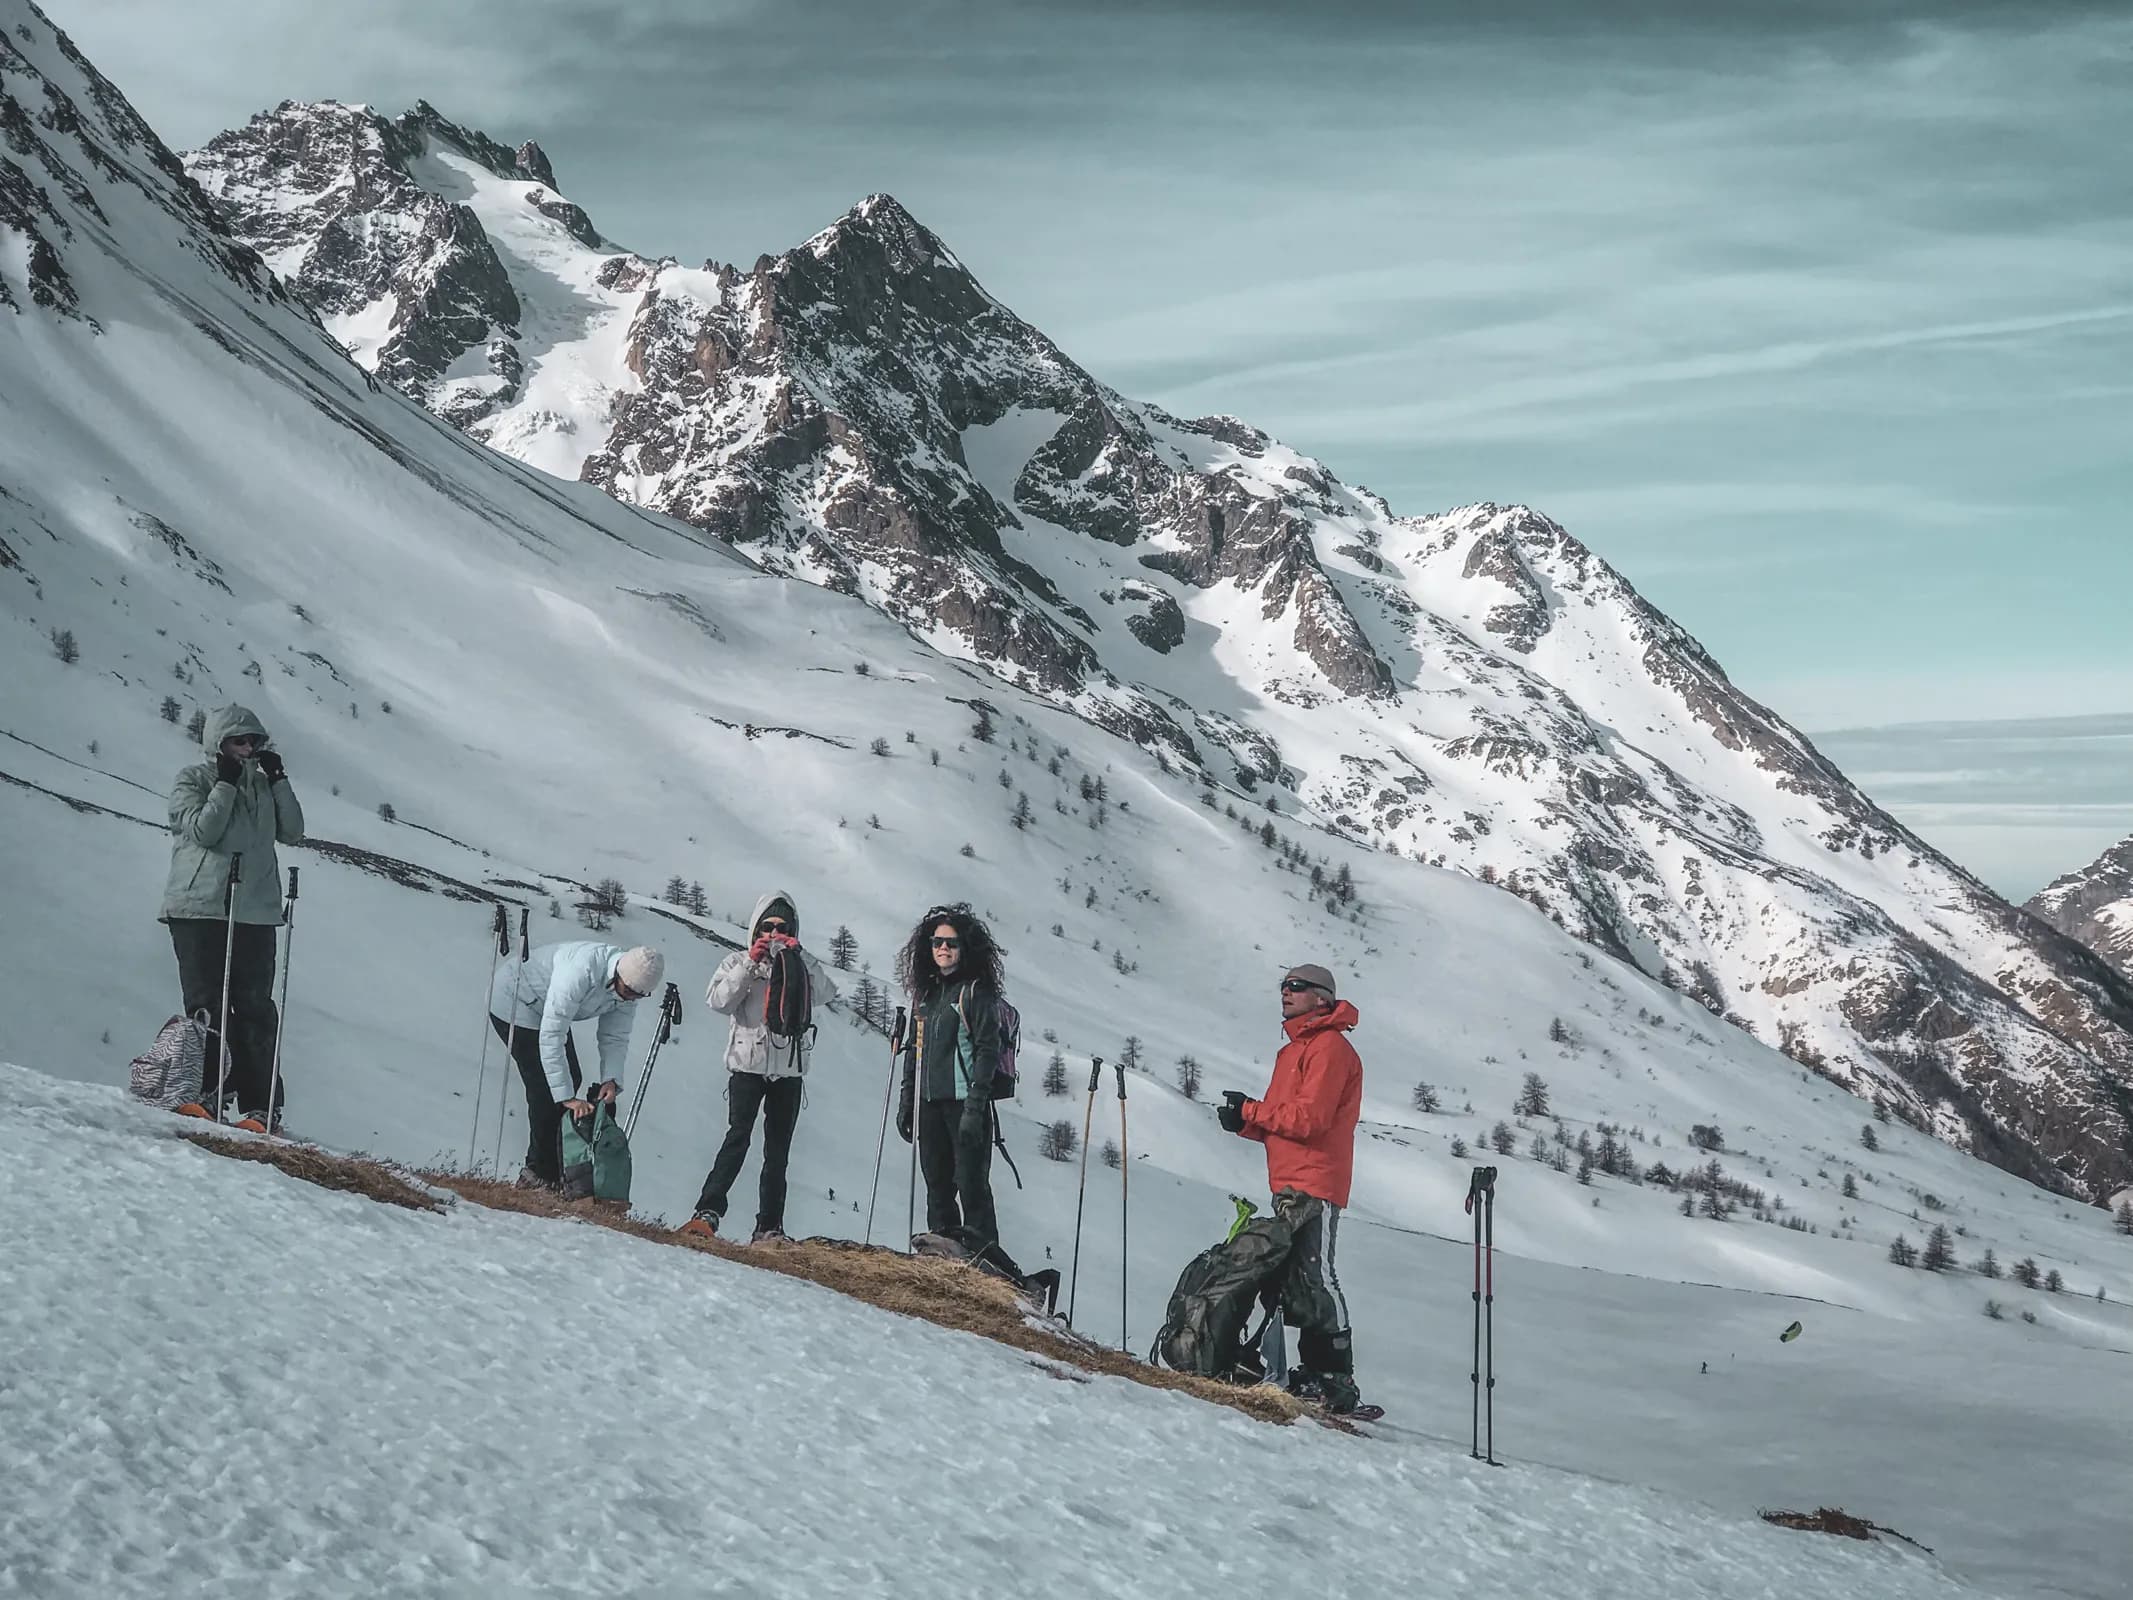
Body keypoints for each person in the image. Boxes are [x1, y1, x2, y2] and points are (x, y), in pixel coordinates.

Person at [1218, 962, 1365, 1414]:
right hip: (1289, 1179)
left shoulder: (1329, 1049)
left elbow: (1310, 1120)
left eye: (1297, 987)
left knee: (1317, 1277)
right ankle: (1299, 1371)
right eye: (1283, 986)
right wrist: (1244, 1122)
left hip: (1314, 1180)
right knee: (1290, 1281)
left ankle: (1334, 1377)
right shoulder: (1294, 1052)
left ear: (1322, 998)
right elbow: (1285, 1121)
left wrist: (1252, 1112)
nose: (1286, 992)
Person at [159, 703, 305, 1131]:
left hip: (255, 910)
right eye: (239, 741)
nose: (247, 749)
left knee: (256, 1007)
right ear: (219, 743)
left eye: (253, 742)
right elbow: (205, 831)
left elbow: (293, 831)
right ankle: (208, 1092)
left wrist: (278, 781)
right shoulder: (193, 779)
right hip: (200, 906)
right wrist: (224, 785)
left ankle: (262, 1107)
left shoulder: (263, 785)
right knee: (207, 1003)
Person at [683, 892, 811, 1243]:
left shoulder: (798, 963)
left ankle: (769, 1226)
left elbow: (826, 993)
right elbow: (718, 1002)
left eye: (782, 927)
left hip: (787, 1070)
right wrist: (749, 966)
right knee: (737, 1137)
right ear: (755, 928)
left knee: (778, 1151)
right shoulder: (736, 961)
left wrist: (797, 957)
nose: (773, 933)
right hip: (746, 1067)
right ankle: (707, 1211)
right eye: (767, 926)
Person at [489, 941, 664, 1188]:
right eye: (628, 991)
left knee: (569, 1079)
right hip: (515, 1000)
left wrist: (610, 1079)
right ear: (618, 974)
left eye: (639, 995)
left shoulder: (629, 987)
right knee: (546, 1090)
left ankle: (553, 1171)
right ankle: (536, 1175)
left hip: (544, 1009)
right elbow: (552, 1033)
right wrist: (565, 1096)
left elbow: (615, 1036)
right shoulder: (581, 971)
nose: (631, 998)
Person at [894, 903, 1008, 1263]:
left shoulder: (974, 992)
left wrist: (976, 1107)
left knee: (971, 1187)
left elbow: (987, 1050)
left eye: (952, 943)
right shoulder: (925, 996)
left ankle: (984, 1263)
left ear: (966, 948)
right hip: (929, 1105)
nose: (943, 949)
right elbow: (915, 1051)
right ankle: (941, 1258)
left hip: (964, 1104)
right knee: (937, 1187)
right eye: (936, 942)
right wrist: (907, 1100)